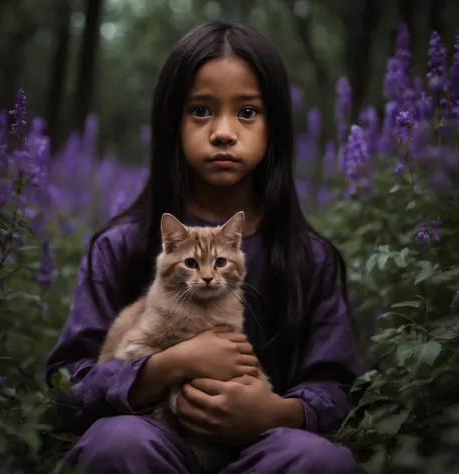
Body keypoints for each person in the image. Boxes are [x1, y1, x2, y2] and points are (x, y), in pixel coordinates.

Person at [45, 20, 360, 474]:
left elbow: (337, 386)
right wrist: (165, 367)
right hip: (152, 438)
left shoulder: (308, 257)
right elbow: (66, 388)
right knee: (117, 443)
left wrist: (276, 413)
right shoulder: (120, 246)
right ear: (171, 122)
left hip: (265, 446)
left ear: (277, 127)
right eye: (201, 111)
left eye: (247, 112)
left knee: (317, 458)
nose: (224, 132)